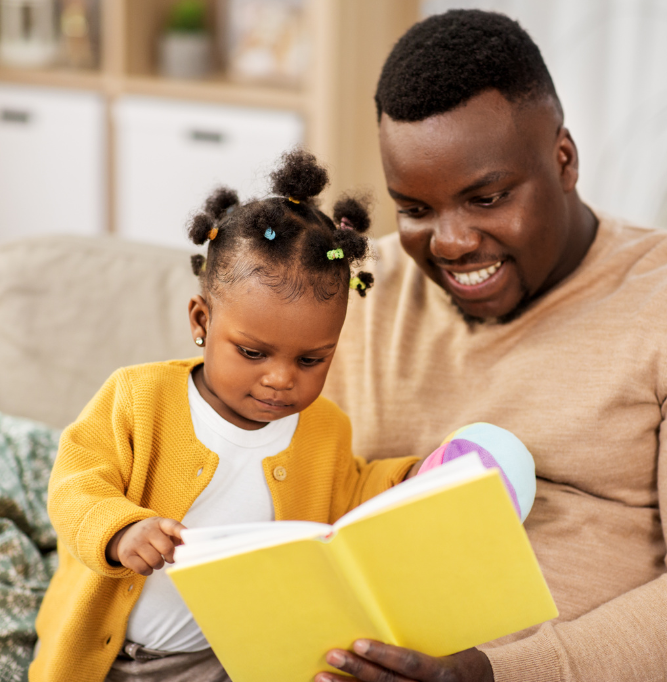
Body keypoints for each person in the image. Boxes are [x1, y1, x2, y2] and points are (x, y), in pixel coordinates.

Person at [317, 10, 667, 682]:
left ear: (564, 159)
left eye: (487, 197)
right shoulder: (350, 294)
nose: (451, 242)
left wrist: (489, 674)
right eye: (415, 209)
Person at [30, 150, 421, 682]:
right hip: (116, 656)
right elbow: (74, 487)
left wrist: (413, 477)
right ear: (202, 319)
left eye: (311, 360)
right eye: (253, 353)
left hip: (231, 657)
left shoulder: (326, 428)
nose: (282, 379)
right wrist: (121, 531)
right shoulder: (138, 397)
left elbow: (351, 493)